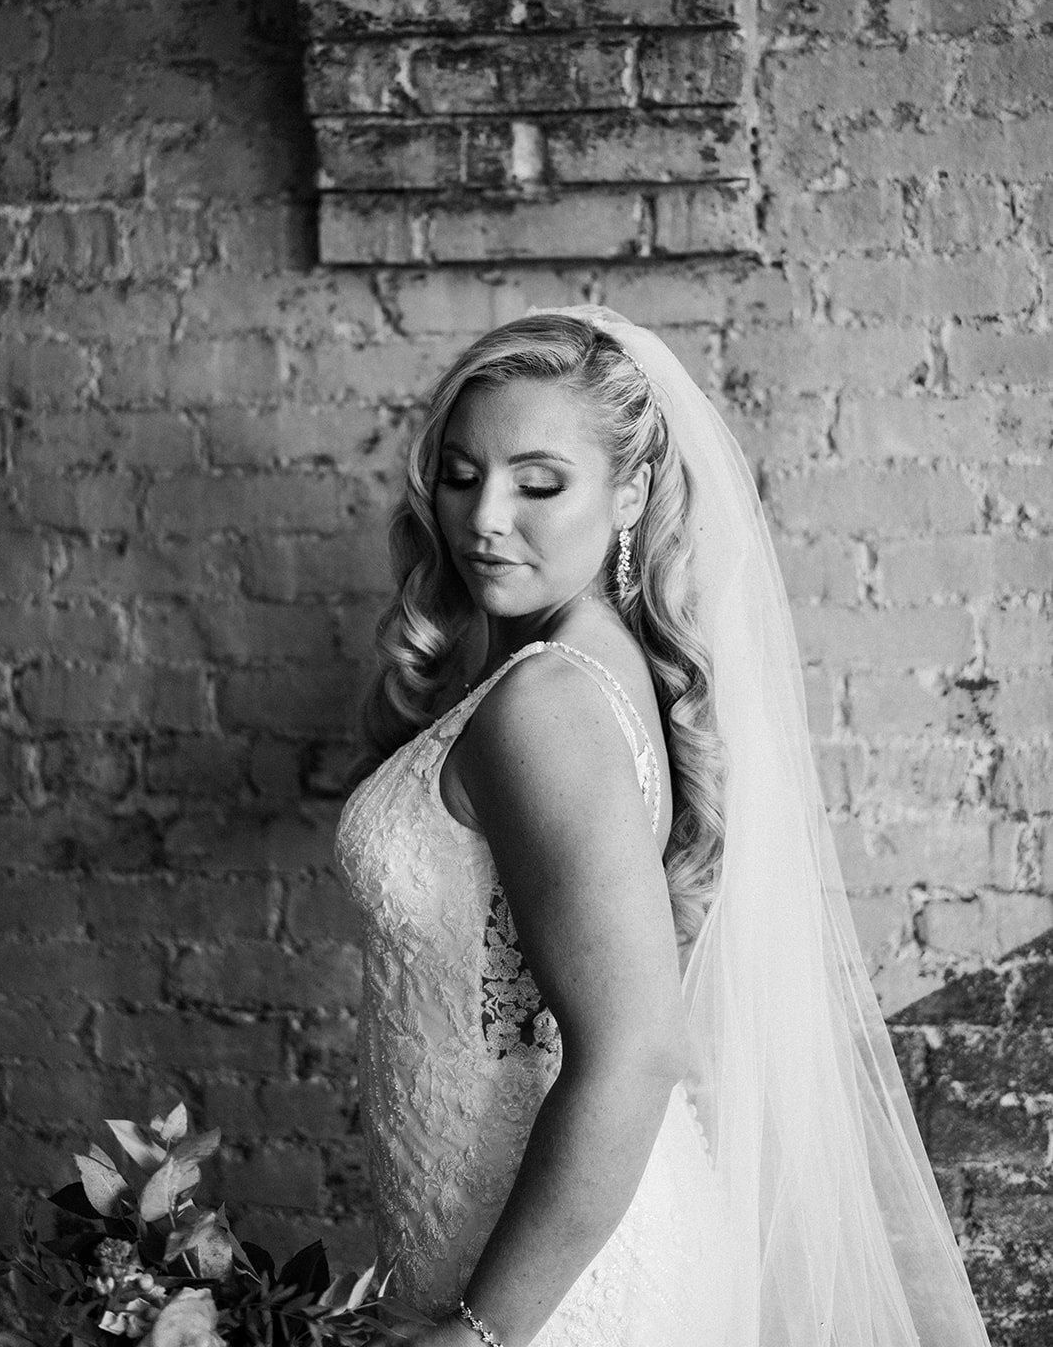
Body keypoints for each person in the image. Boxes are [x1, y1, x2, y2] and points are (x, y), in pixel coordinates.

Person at [334, 305, 993, 1347]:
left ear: (630, 494)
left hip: (548, 1296)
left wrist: (482, 1333)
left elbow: (637, 1048)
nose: (483, 517)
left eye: (538, 483)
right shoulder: (578, 670)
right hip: (496, 1240)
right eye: (460, 476)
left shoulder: (546, 701)